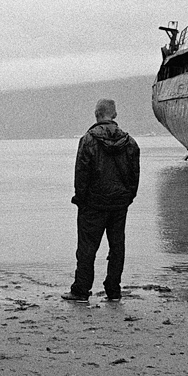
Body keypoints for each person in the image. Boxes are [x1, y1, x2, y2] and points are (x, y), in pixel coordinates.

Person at [62, 99, 140, 302]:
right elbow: (134, 176)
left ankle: (81, 291)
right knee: (117, 247)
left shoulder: (87, 140)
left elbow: (81, 174)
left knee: (87, 249)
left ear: (97, 114)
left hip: (94, 204)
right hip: (119, 203)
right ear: (114, 115)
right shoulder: (130, 143)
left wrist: (80, 199)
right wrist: (128, 197)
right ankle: (113, 291)